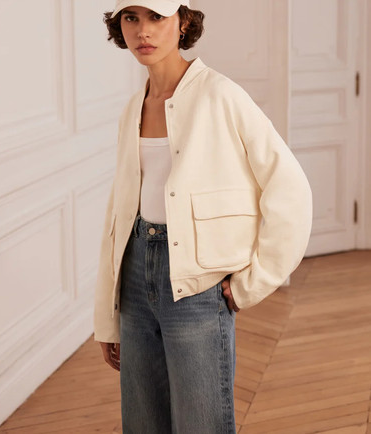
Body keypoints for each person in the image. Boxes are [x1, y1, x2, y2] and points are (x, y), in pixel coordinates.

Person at [93, 1, 313, 433]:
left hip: (196, 285)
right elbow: (118, 214)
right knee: (142, 421)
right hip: (134, 278)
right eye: (131, 18)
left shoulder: (220, 95)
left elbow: (290, 187)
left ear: (184, 22)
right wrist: (107, 315)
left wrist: (255, 280)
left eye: (157, 17)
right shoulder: (133, 107)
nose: (143, 31)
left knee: (201, 422)